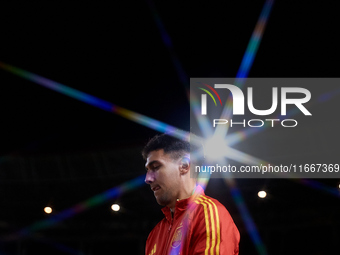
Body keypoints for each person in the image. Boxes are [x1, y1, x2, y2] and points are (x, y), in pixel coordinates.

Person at [143, 133, 240, 255]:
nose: (148, 179)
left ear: (184, 165)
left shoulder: (207, 212)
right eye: (148, 170)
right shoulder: (155, 234)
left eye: (156, 167)